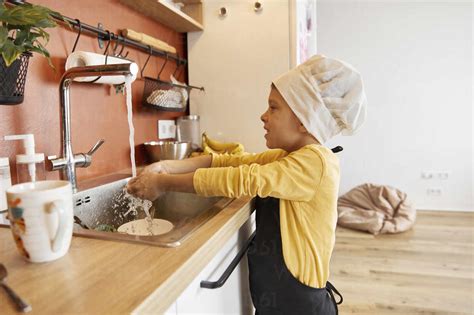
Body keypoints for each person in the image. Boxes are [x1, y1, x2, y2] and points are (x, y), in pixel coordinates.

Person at [126, 54, 367, 315]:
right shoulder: (290, 157)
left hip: (300, 306)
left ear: (303, 118)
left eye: (273, 108)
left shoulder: (316, 163)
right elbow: (234, 163)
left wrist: (163, 183)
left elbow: (242, 179)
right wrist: (167, 167)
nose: (263, 116)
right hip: (277, 301)